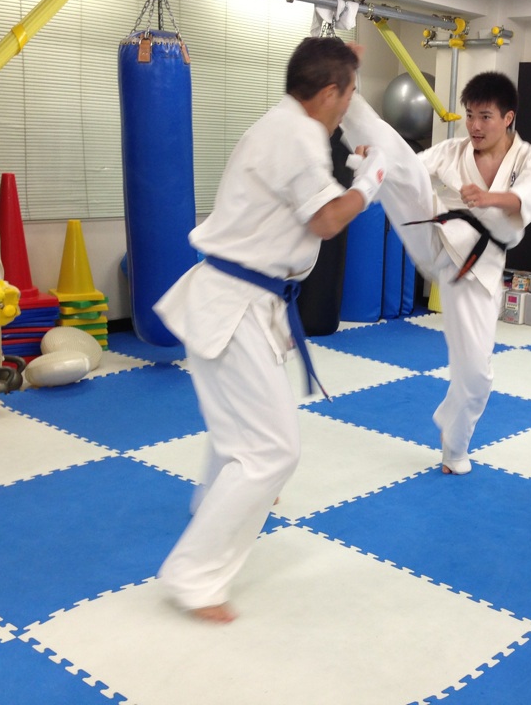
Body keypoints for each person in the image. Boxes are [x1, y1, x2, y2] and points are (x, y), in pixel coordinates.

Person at [152, 37, 387, 624]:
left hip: (243, 300)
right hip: (235, 304)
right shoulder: (296, 136)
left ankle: (211, 501)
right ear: (329, 93)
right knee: (273, 451)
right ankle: (193, 577)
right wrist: (371, 182)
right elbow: (326, 219)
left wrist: (354, 168)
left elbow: (306, 195)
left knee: (240, 432)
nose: (349, 104)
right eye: (348, 93)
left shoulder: (284, 126)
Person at [341, 72, 531, 475]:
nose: (474, 126)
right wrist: (375, 157)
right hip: (435, 234)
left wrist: (488, 197)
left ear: (508, 117)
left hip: (476, 270)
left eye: (485, 117)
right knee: (403, 167)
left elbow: (522, 199)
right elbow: (409, 170)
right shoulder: (454, 150)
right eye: (470, 115)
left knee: (476, 375)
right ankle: (347, 97)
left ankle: (454, 446)